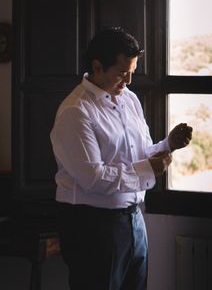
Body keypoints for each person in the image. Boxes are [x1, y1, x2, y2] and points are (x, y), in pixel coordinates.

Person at [50, 27, 193, 289]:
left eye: (132, 72)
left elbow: (137, 156)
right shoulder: (76, 111)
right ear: (97, 66)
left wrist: (167, 145)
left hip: (134, 219)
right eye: (121, 73)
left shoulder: (130, 100)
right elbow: (93, 177)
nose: (128, 80)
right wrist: (147, 170)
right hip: (92, 226)